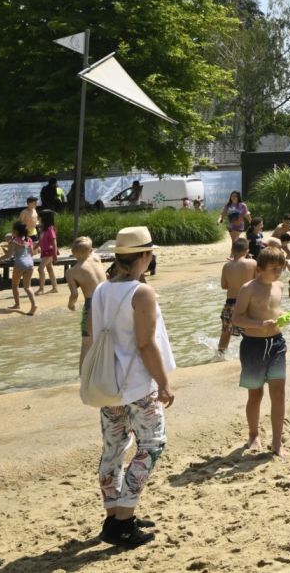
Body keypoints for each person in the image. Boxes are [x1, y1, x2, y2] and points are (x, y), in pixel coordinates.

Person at [85, 227, 175, 548]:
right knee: (152, 445)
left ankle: (114, 514)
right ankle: (123, 521)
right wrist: (164, 383)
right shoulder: (141, 293)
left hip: (109, 384)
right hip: (138, 385)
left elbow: (92, 336)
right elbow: (146, 344)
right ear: (144, 257)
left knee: (113, 450)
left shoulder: (100, 291)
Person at [231, 247, 290, 456]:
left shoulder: (278, 286)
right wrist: (260, 323)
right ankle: (254, 434)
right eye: (274, 269)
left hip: (277, 344)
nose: (278, 273)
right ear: (259, 268)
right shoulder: (247, 289)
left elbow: (278, 313)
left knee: (278, 393)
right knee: (256, 394)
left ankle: (277, 443)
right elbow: (237, 318)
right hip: (253, 346)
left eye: (281, 269)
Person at [214, 238, 253, 355]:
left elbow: (224, 286)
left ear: (232, 250)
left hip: (230, 302)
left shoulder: (226, 266)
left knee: (226, 331)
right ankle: (250, 356)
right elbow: (258, 282)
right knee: (250, 331)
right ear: (247, 250)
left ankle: (220, 355)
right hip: (247, 302)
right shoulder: (252, 263)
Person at [66, 236, 105, 332]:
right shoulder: (97, 258)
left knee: (87, 336)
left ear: (72, 252)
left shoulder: (71, 272)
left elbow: (74, 294)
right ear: (91, 250)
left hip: (92, 302)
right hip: (108, 298)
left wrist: (71, 305)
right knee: (107, 333)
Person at [4, 221, 38, 315]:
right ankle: (34, 305)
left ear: (15, 231)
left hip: (20, 264)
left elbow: (8, 256)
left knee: (15, 285)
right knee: (27, 286)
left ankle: (17, 304)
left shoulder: (14, 241)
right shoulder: (29, 240)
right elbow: (32, 253)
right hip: (30, 263)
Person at [36, 207, 60, 294]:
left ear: (45, 218)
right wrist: (35, 247)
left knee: (40, 269)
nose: (38, 218)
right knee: (49, 268)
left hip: (49, 252)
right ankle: (55, 287)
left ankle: (41, 288)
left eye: (40, 217)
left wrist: (55, 254)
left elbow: (54, 241)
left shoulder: (50, 229)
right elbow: (41, 240)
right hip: (44, 251)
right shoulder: (43, 229)